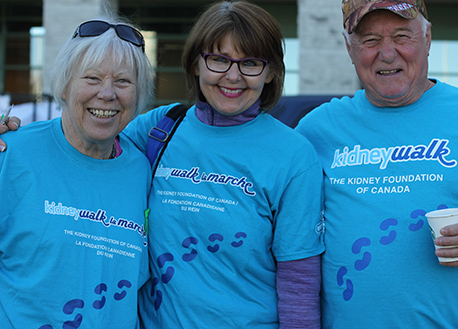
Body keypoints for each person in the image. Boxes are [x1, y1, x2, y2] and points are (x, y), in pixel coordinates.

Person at [295, 0, 458, 328]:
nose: (387, 53)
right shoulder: (315, 131)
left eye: (402, 36)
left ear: (427, 38)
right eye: (370, 40)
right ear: (349, 49)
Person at [121, 1, 325, 328]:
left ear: (271, 72)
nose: (233, 76)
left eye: (251, 63)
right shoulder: (160, 128)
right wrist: (10, 140)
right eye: (219, 59)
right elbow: (87, 151)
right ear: (197, 64)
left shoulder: (293, 155)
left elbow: (298, 282)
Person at [0, 14, 154, 328]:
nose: (108, 94)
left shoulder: (145, 170)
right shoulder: (11, 154)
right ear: (66, 84)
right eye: (92, 78)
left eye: (123, 81)